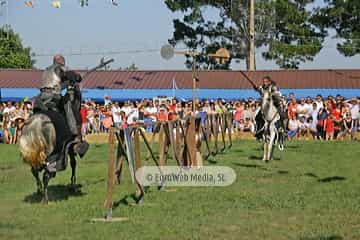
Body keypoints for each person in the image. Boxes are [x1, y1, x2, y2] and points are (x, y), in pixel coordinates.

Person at [34, 54, 88, 156]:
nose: (64, 63)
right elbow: (70, 75)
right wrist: (77, 77)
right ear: (61, 61)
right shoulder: (59, 68)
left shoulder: (46, 70)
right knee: (67, 104)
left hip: (40, 97)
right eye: (63, 61)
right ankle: (74, 132)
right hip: (52, 97)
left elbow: (58, 82)